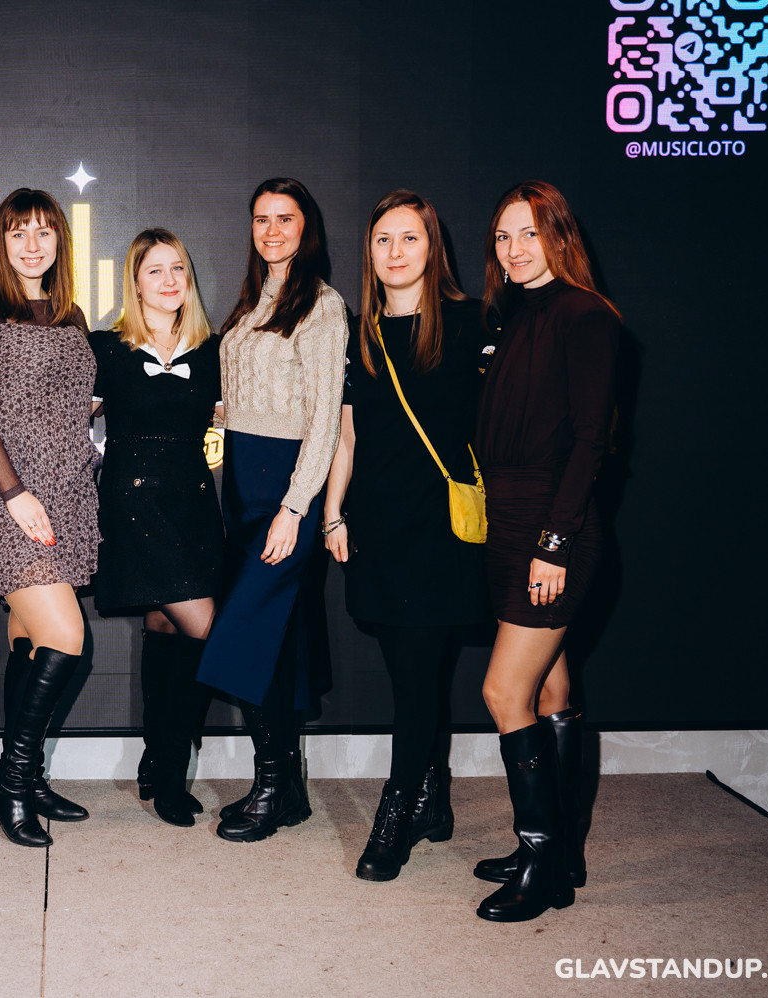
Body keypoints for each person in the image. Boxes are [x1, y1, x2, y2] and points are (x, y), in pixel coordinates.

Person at [321, 190, 491, 881]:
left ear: (432, 247)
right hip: (377, 526)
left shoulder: (470, 321)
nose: (395, 252)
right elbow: (348, 435)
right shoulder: (359, 333)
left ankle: (395, 813)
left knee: (418, 674)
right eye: (383, 240)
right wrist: (333, 513)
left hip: (440, 532)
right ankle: (433, 798)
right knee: (408, 672)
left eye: (410, 238)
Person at [471, 180, 619, 922]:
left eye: (529, 232)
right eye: (503, 236)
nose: (514, 249)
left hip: (552, 529)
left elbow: (592, 441)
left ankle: (541, 865)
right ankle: (560, 852)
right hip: (506, 522)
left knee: (504, 694)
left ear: (559, 234)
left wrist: (554, 544)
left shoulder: (586, 316)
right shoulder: (516, 316)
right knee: (551, 691)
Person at [196, 178, 350, 842]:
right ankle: (287, 790)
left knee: (246, 635)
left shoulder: (323, 305)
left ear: (306, 226)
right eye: (261, 219)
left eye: (284, 219)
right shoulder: (251, 299)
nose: (272, 231)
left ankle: (268, 786)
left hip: (286, 489)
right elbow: (241, 398)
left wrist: (295, 506)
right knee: (278, 643)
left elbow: (324, 421)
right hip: (241, 485)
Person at [0, 188, 99, 847]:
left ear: (59, 240)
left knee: (31, 635)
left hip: (66, 490)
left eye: (44, 231)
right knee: (65, 635)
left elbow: (73, 402)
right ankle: (10, 783)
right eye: (19, 233)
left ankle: (26, 776)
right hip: (6, 491)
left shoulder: (71, 315)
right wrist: (13, 491)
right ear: (0, 241)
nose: (32, 244)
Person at [89, 228, 222, 827]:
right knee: (204, 630)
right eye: (155, 271)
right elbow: (62, 419)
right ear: (135, 283)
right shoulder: (106, 349)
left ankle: (153, 759)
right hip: (133, 505)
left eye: (178, 269)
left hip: (192, 505)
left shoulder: (212, 351)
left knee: (167, 625)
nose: (170, 281)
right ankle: (170, 772)